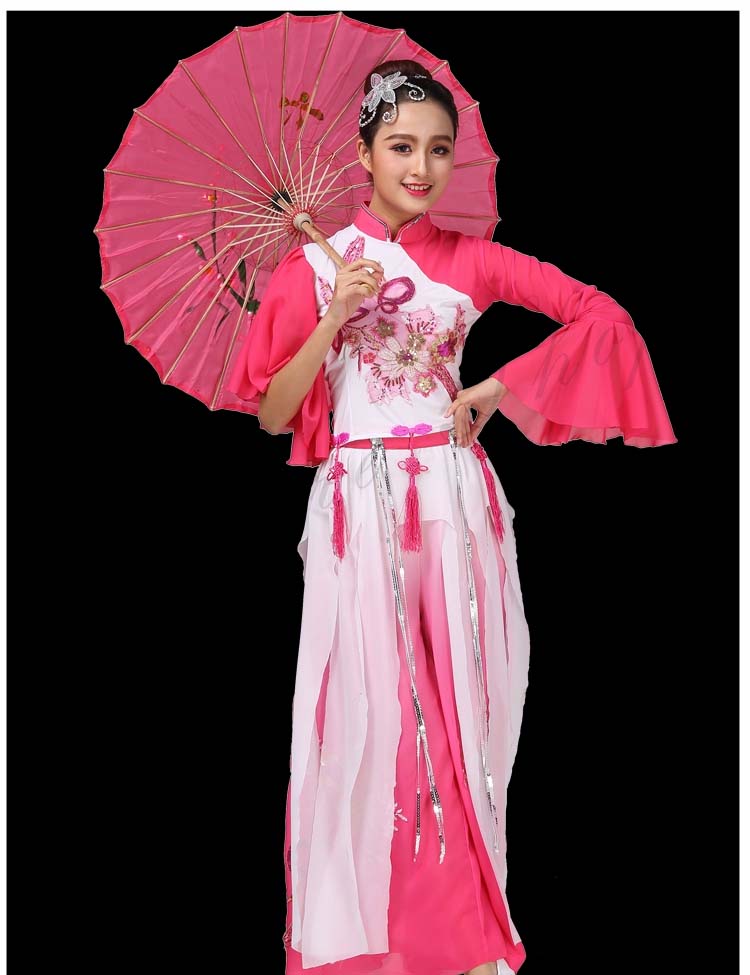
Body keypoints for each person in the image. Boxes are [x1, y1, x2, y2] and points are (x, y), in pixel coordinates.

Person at [226, 59, 677, 975]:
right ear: (363, 155)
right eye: (401, 147)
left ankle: (464, 933)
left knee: (464, 714)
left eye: (438, 150)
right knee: (379, 718)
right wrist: (333, 314)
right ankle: (381, 939)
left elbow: (601, 316)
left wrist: (498, 387)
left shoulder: (474, 259)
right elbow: (274, 412)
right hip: (360, 507)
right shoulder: (313, 266)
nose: (421, 167)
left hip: (453, 499)